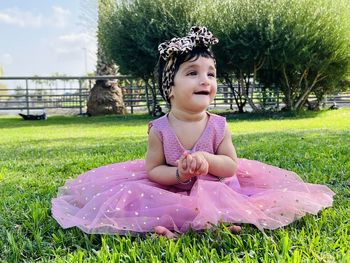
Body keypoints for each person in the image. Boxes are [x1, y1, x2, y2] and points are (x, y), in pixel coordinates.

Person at [51, 26, 334, 239]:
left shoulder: (218, 125)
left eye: (210, 73)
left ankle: (218, 223)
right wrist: (178, 174)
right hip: (171, 188)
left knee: (217, 197)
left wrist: (207, 161)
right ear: (170, 88)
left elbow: (230, 165)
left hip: (218, 186)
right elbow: (153, 170)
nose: (205, 80)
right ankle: (173, 230)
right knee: (145, 200)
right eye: (192, 73)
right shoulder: (159, 129)